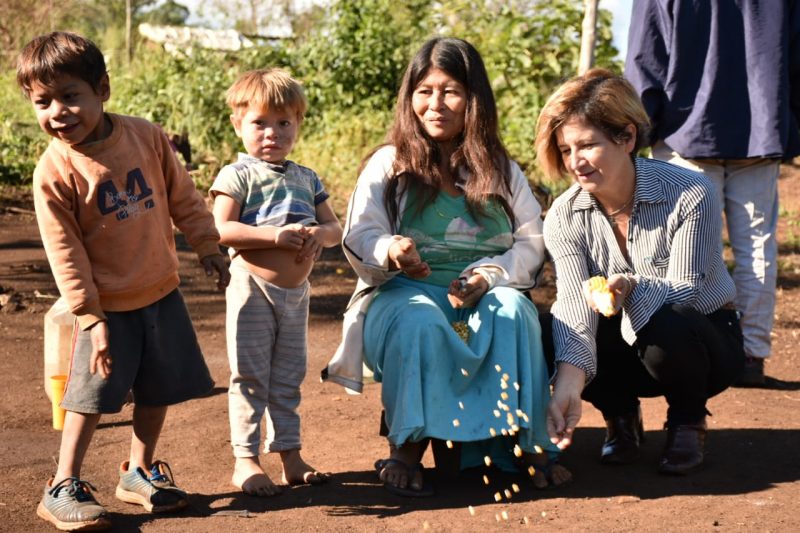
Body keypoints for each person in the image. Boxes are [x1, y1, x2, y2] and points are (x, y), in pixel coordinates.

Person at [323, 37, 571, 496]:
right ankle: (406, 447)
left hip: (481, 297)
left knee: (515, 312)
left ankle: (528, 444)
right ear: (409, 97)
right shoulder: (387, 164)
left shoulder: (500, 169)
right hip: (402, 297)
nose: (435, 104)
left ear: (474, 99)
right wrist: (391, 250)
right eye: (425, 90)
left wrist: (488, 276)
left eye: (451, 90)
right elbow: (360, 234)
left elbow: (532, 245)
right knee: (421, 319)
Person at [16, 32, 230, 531]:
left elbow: (183, 197)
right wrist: (90, 316)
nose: (58, 112)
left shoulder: (145, 135)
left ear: (102, 89)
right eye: (43, 102)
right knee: (90, 397)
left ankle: (138, 470)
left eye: (71, 96)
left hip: (160, 292)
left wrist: (208, 246)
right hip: (104, 306)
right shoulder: (54, 170)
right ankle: (62, 484)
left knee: (157, 390)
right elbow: (64, 252)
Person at [535, 68, 746, 475]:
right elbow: (575, 308)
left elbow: (684, 291)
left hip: (701, 340)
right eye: (565, 150)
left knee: (667, 321)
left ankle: (687, 420)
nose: (575, 162)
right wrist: (568, 386)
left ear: (627, 137)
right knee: (551, 326)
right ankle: (620, 418)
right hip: (622, 347)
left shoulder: (691, 192)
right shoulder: (563, 215)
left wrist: (630, 285)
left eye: (588, 145)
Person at [624, 0, 800, 386]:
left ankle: (688, 352)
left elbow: (645, 60)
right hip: (759, 128)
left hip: (684, 133)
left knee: (677, 251)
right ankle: (751, 356)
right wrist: (785, 123)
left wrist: (636, 134)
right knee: (757, 248)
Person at [210, 68, 342, 497]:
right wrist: (275, 236)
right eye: (260, 123)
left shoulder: (306, 177)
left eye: (284, 122)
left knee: (288, 375)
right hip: (251, 289)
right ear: (238, 125)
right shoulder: (237, 175)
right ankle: (245, 460)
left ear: (298, 124)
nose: (272, 133)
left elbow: (334, 228)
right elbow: (224, 230)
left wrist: (317, 236)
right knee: (249, 376)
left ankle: (290, 455)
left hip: (295, 294)